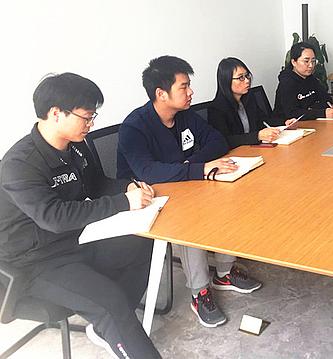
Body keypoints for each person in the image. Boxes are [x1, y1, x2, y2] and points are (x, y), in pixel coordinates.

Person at [0, 73, 161, 359]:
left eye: (92, 116)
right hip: (35, 261)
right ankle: (114, 321)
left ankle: (109, 328)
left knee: (145, 240)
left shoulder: (75, 145)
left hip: (76, 240)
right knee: (109, 303)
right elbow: (55, 218)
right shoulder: (19, 165)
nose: (91, 124)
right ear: (56, 114)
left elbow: (96, 185)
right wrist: (123, 202)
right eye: (86, 117)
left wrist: (128, 187)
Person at [117, 56, 261, 329]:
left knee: (231, 194)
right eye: (183, 87)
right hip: (148, 196)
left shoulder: (185, 116)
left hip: (185, 183)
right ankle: (200, 292)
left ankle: (224, 272)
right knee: (190, 218)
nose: (191, 92)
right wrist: (198, 168)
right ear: (161, 93)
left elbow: (217, 140)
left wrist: (191, 165)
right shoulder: (134, 126)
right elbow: (147, 171)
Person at [208, 57, 296, 149]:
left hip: (255, 148)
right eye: (241, 78)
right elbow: (225, 140)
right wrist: (257, 136)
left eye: (247, 75)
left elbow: (264, 120)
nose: (247, 80)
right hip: (237, 153)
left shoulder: (249, 97)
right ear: (226, 81)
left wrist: (285, 123)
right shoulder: (216, 108)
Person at [273, 42, 333, 120]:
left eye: (313, 61)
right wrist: (321, 113)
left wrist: (312, 109)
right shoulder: (287, 83)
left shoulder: (310, 79)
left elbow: (327, 99)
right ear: (294, 62)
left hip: (309, 122)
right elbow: (292, 113)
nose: (311, 65)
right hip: (287, 124)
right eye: (306, 61)